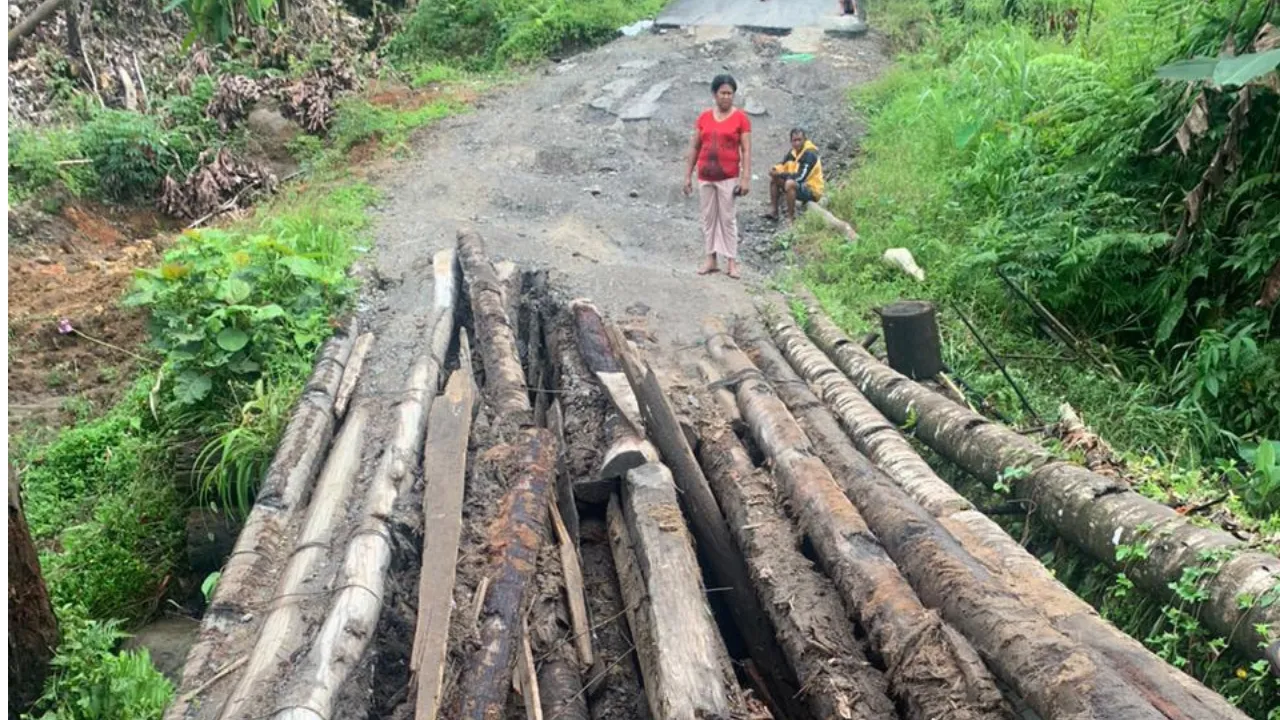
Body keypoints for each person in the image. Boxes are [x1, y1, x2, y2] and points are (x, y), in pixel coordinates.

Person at [683, 74, 752, 279]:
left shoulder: (741, 119)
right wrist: (687, 175)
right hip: (705, 175)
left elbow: (746, 150)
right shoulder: (704, 117)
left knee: (728, 218)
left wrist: (745, 178)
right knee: (708, 217)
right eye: (722, 93)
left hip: (728, 175)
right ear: (714, 94)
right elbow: (695, 146)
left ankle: (731, 261)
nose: (726, 97)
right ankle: (711, 258)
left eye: (730, 93)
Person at [767, 128, 824, 222]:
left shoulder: (810, 154)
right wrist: (774, 169)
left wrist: (781, 174)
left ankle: (791, 218)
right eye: (794, 140)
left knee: (790, 183)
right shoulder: (793, 152)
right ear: (791, 141)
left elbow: (801, 177)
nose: (797, 143)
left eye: (799, 140)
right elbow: (782, 165)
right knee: (774, 179)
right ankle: (774, 212)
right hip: (799, 185)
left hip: (812, 189)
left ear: (805, 140)